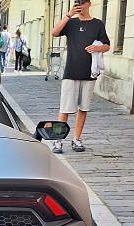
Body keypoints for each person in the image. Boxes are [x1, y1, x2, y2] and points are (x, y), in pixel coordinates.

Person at [51, 0, 110, 153]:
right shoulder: (70, 23)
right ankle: (58, 141)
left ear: (89, 4)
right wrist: (68, 15)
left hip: (89, 73)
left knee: (83, 108)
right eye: (77, 3)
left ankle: (76, 139)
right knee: (64, 109)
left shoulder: (98, 24)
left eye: (82, 3)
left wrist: (98, 48)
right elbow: (54, 33)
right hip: (71, 72)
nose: (80, 6)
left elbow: (107, 45)